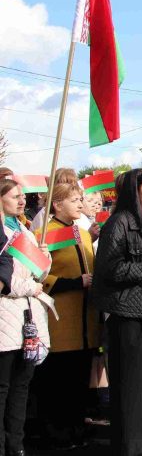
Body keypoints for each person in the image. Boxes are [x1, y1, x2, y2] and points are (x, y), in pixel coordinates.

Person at [92, 169, 142, 456]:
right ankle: (130, 444)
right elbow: (109, 269)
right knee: (129, 380)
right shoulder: (119, 222)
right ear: (133, 191)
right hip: (128, 311)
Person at [34, 182, 99, 450]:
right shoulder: (43, 235)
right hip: (61, 320)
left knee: (78, 381)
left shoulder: (82, 234)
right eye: (74, 199)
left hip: (86, 322)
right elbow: (38, 275)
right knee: (57, 383)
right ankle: (56, 433)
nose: (79, 203)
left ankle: (76, 427)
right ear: (58, 204)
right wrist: (73, 282)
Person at [1, 179, 53, 456]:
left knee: (21, 386)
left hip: (27, 317)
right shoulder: (2, 233)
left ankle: (16, 445)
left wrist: (45, 260)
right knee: (3, 387)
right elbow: (6, 280)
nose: (22, 201)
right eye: (14, 196)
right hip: (4, 316)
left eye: (23, 196)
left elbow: (39, 275)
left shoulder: (25, 230)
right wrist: (29, 287)